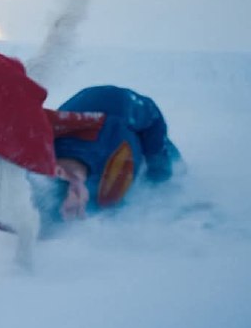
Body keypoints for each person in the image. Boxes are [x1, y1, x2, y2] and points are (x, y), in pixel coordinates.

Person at [39, 85, 183, 227]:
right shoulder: (43, 157)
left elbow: (152, 116)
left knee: (167, 175)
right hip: (85, 154)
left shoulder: (119, 117)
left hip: (121, 118)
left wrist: (159, 171)